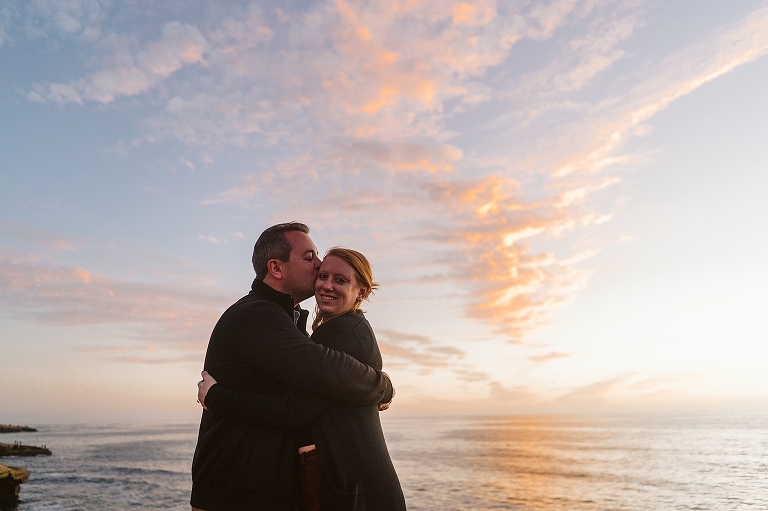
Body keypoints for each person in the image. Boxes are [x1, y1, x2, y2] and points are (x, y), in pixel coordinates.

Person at [190, 223, 395, 511]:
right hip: (237, 491)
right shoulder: (259, 315)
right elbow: (322, 372)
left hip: (249, 488)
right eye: (310, 258)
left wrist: (216, 397)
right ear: (276, 268)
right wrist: (382, 387)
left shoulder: (285, 319)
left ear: (361, 292)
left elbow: (310, 385)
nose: (319, 264)